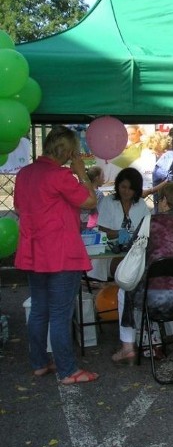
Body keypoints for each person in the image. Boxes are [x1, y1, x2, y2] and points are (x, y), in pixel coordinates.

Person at [14, 125, 99, 384]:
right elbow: (90, 201)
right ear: (69, 150)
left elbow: (18, 208)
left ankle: (40, 362)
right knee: (61, 313)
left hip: (33, 251)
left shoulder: (25, 173)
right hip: (62, 253)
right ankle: (67, 370)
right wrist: (82, 175)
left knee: (40, 309)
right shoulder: (59, 176)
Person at [111, 182, 173, 363]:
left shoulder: (150, 222)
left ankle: (128, 347)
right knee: (168, 279)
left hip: (155, 298)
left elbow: (133, 249)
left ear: (164, 200)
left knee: (125, 289)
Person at [90, 167, 151, 281]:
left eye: (130, 188)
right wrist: (120, 233)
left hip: (135, 252)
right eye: (123, 187)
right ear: (117, 185)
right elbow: (103, 232)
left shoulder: (141, 204)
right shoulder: (108, 202)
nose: (126, 191)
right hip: (110, 254)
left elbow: (147, 227)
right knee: (128, 271)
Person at [144, 132, 173, 212]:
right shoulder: (170, 155)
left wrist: (149, 191)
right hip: (171, 201)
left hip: (170, 203)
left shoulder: (168, 156)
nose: (151, 151)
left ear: (158, 145)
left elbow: (168, 181)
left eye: (151, 148)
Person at [82, 165, 105, 230]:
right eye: (102, 176)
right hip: (93, 225)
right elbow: (102, 212)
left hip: (81, 223)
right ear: (97, 178)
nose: (104, 179)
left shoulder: (82, 191)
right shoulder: (99, 194)